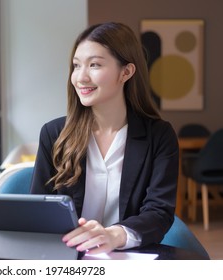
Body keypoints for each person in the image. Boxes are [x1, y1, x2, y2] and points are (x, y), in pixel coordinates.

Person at [29, 22, 179, 255]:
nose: (81, 77)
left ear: (126, 72)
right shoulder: (53, 134)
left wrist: (114, 235)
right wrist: (4, 227)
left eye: (95, 65)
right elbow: (38, 209)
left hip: (127, 257)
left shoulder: (159, 136)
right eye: (76, 66)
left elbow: (159, 213)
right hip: (65, 256)